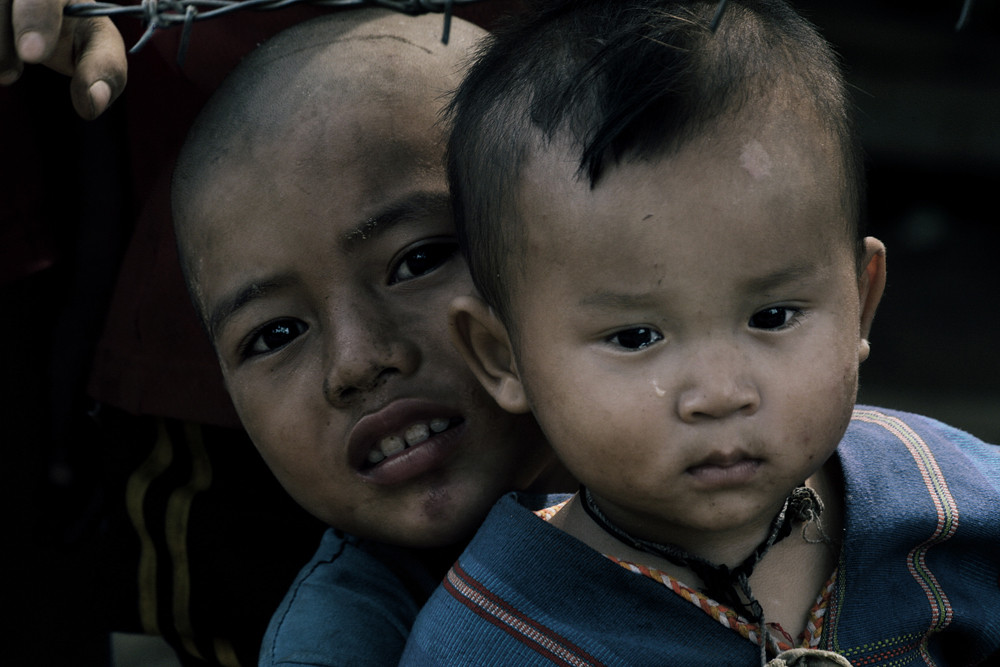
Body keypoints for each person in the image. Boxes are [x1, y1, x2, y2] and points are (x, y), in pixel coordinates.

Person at [399, 1, 1000, 665]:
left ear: (860, 302)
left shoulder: (951, 505)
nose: (719, 393)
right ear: (502, 356)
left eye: (772, 316)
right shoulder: (494, 642)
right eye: (635, 337)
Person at [170, 9, 570, 666]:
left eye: (417, 260)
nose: (356, 362)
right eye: (274, 334)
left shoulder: (762, 460)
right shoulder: (343, 641)